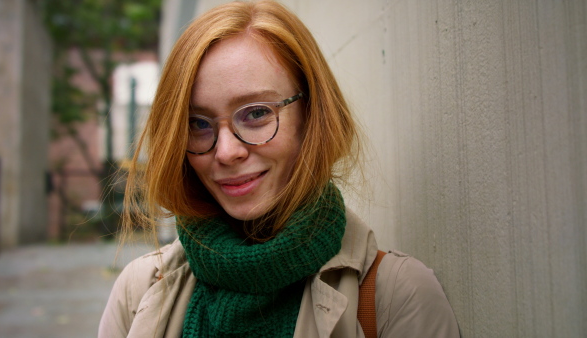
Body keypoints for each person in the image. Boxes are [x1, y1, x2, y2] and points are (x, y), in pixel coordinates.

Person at [99, 1, 460, 337]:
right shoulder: (139, 292)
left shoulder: (394, 297)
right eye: (198, 123)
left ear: (312, 115)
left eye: (256, 113)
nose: (225, 152)